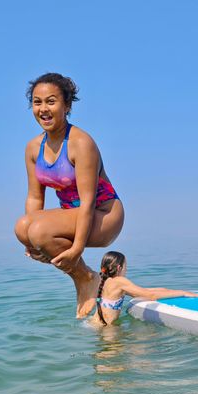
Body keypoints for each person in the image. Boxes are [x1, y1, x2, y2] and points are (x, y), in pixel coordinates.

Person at [15, 73, 125, 317]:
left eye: (51, 101)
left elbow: (87, 203)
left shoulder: (80, 143)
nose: (43, 109)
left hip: (104, 215)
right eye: (37, 102)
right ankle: (85, 279)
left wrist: (76, 249)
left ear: (67, 105)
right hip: (74, 214)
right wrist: (31, 243)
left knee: (39, 231)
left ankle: (86, 278)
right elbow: (34, 198)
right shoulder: (34, 148)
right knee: (24, 228)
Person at [92, 251, 198, 326]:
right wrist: (183, 293)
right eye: (126, 266)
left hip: (94, 323)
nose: (126, 270)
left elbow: (145, 292)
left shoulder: (105, 281)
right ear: (119, 268)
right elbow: (151, 296)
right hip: (107, 329)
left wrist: (165, 289)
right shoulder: (120, 281)